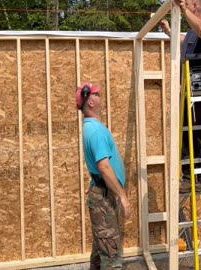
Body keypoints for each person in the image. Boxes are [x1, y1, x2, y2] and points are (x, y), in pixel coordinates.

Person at [160, 0, 201, 193]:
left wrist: (182, 9)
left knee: (199, 134)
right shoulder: (192, 33)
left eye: (188, 4)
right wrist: (169, 31)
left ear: (194, 6)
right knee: (186, 134)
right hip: (187, 90)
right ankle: (188, 177)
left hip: (200, 92)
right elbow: (185, 41)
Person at [76, 82, 131, 270]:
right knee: (111, 256)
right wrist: (123, 197)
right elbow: (104, 167)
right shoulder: (96, 131)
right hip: (103, 197)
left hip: (102, 194)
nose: (101, 96)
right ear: (90, 102)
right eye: (97, 94)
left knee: (101, 249)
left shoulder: (91, 127)